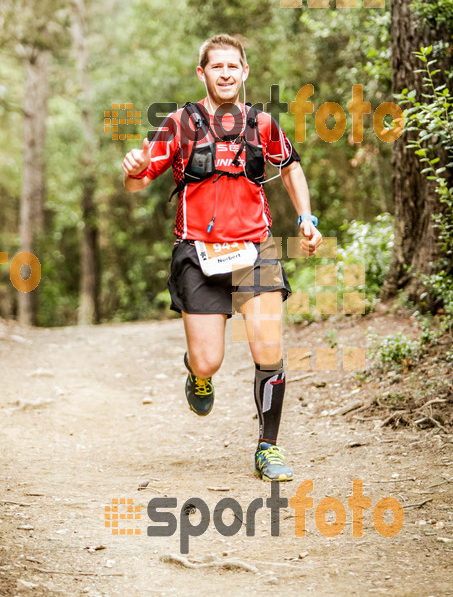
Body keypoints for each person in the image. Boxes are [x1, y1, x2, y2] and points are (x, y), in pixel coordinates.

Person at [122, 34, 322, 481]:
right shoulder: (179, 123)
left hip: (255, 249)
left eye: (234, 66)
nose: (226, 73)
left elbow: (290, 166)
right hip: (197, 253)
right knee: (208, 359)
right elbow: (137, 183)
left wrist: (306, 218)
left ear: (245, 72)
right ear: (203, 73)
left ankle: (268, 447)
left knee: (269, 350)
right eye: (217, 67)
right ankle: (198, 373)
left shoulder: (263, 124)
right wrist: (133, 171)